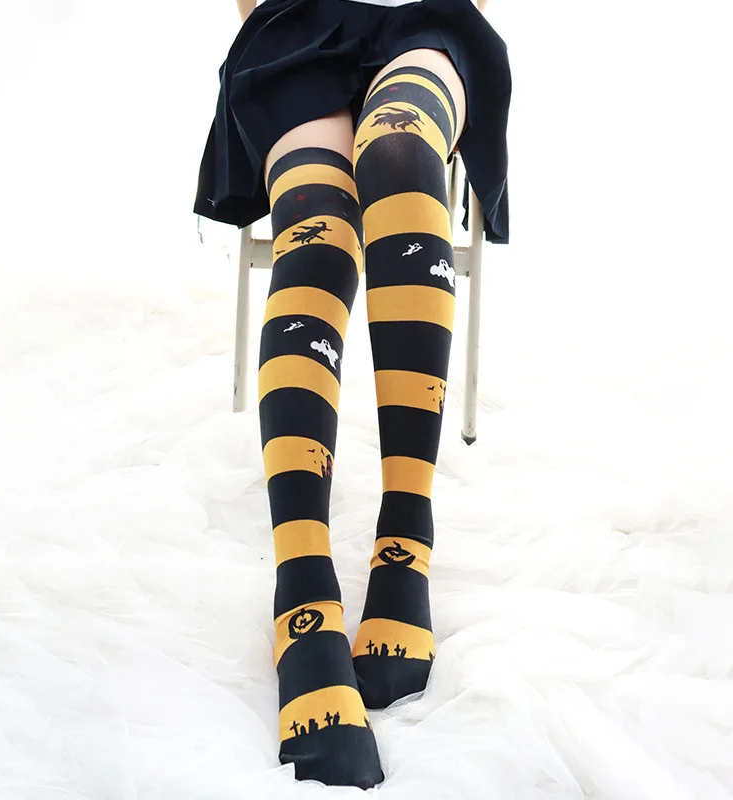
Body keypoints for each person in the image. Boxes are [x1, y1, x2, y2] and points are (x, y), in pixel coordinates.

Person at [194, 0, 511, 788]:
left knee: (400, 152)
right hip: (297, 32)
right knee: (319, 233)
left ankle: (405, 538)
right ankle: (302, 596)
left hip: (425, 24)